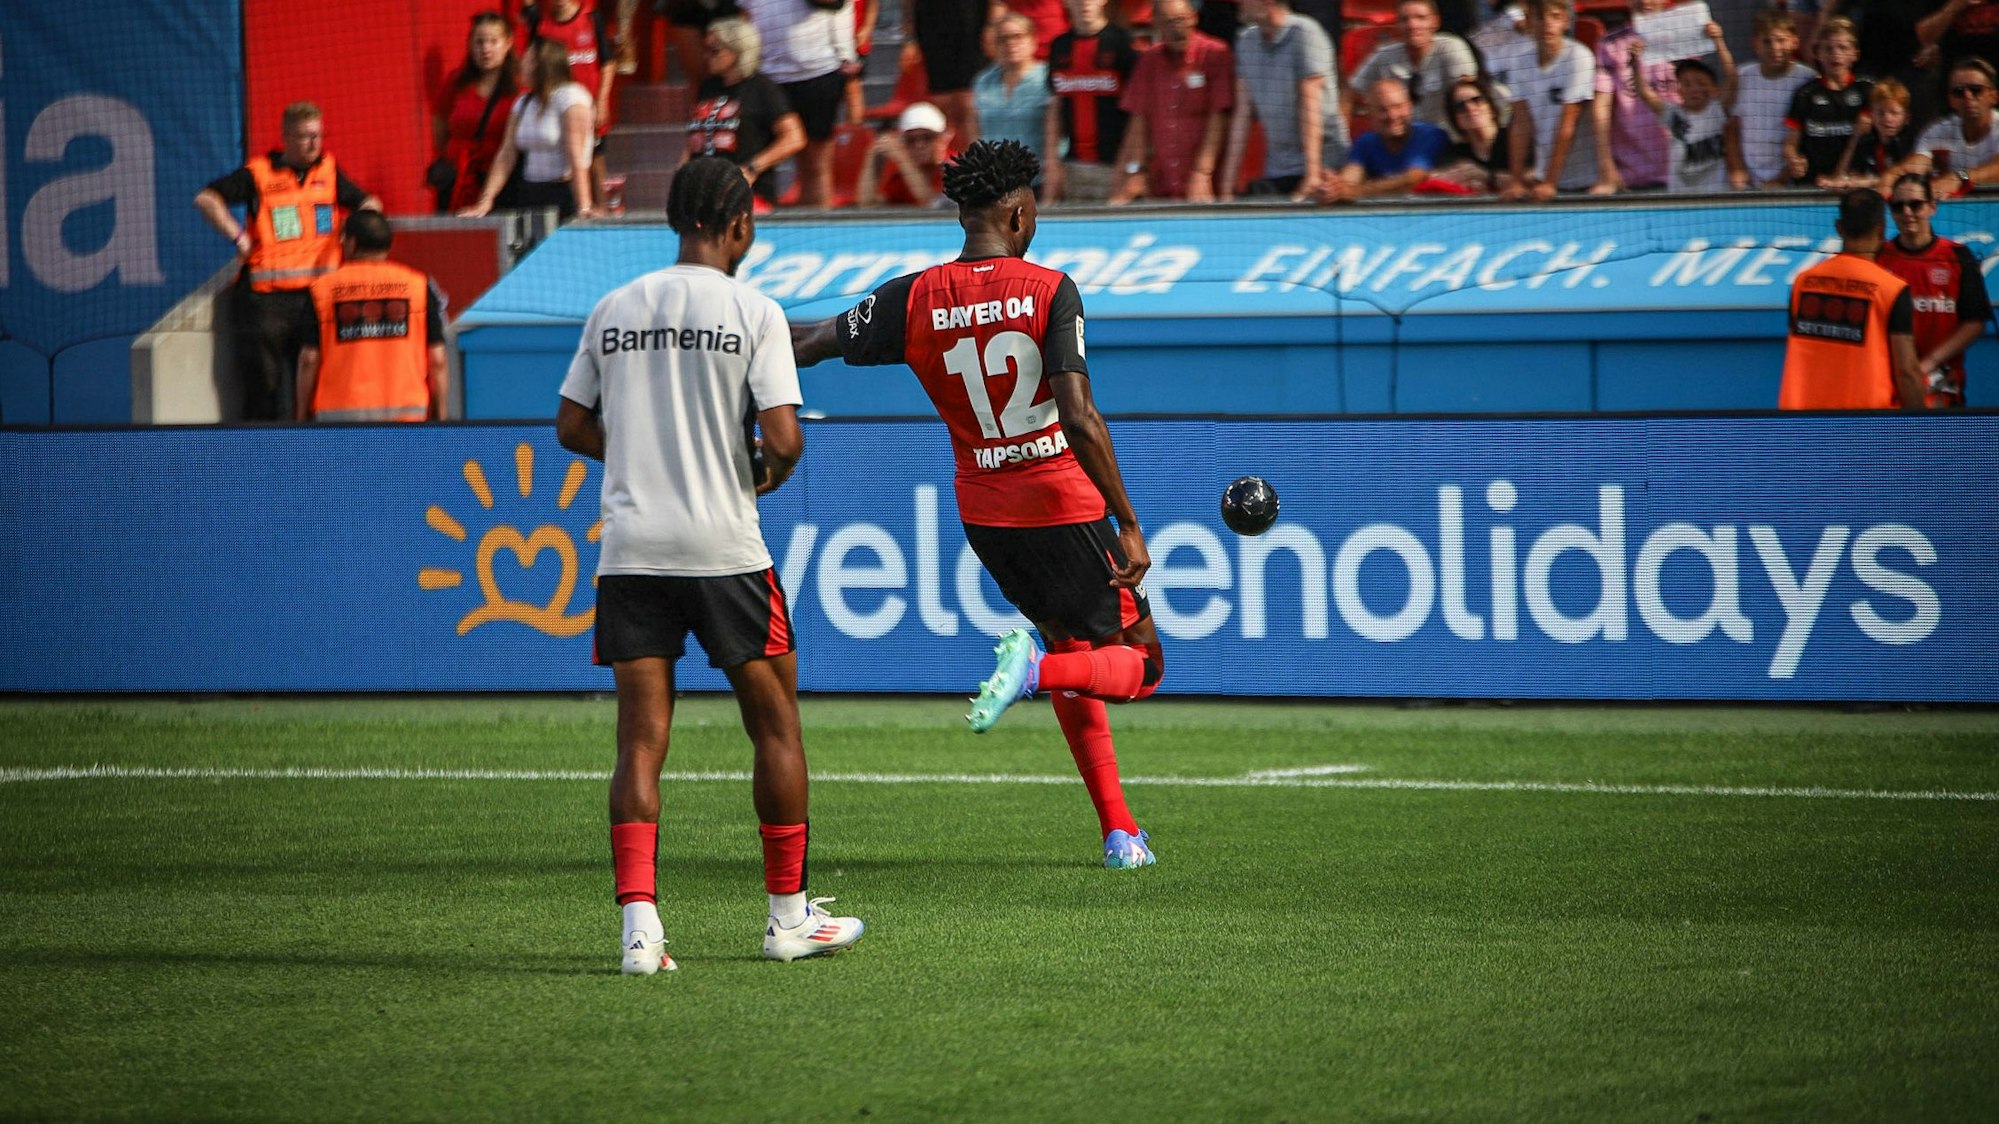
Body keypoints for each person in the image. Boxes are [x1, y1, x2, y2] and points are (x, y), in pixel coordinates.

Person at [791, 139, 1166, 870]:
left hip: (988, 517)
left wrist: (732, 349)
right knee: (1139, 666)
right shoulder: (1050, 289)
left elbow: (810, 342)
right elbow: (1079, 414)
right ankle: (1032, 675)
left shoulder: (911, 296)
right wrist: (1126, 520)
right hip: (1063, 502)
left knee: (1071, 647)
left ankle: (1120, 832)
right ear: (1019, 211)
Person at [555, 157, 865, 974]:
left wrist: (642, 458)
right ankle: (788, 920)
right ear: (738, 227)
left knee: (640, 744)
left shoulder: (612, 308)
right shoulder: (753, 310)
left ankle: (639, 934)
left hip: (631, 554)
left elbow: (569, 425)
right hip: (724, 550)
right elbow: (787, 439)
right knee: (775, 726)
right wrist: (759, 471)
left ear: (672, 223)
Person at [194, 102, 382, 422]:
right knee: (263, 388)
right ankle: (262, 457)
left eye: (318, 136)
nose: (314, 144)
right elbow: (206, 199)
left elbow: (370, 202)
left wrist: (353, 232)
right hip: (265, 302)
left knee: (313, 384)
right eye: (305, 137)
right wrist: (238, 238)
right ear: (285, 137)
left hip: (315, 298)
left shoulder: (329, 172)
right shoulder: (259, 174)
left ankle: (307, 454)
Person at [296, 212, 449, 423]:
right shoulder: (418, 286)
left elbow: (309, 360)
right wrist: (441, 417)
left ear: (352, 242)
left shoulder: (322, 290)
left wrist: (301, 416)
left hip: (339, 421)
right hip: (407, 418)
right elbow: (438, 360)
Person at [1780, 189, 1926, 410]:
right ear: (1882, 229)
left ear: (1839, 227)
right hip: (1866, 426)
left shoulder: (1802, 283)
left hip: (1803, 423)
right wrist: (1923, 429)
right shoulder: (1892, 289)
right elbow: (1906, 372)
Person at [1876, 172, 1992, 408]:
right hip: (1890, 382)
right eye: (1898, 206)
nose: (1907, 212)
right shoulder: (1879, 258)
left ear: (1932, 207)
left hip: (1943, 382)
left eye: (1915, 205)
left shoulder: (1958, 256)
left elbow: (1975, 321)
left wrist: (1928, 363)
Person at [1219, 0, 1347, 202]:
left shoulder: (1306, 33)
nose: (1237, 3)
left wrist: (1312, 175)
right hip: (1278, 169)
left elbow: (1310, 105)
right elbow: (1242, 113)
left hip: (1325, 166)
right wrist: (1227, 186)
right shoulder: (1245, 41)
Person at [1109, 0, 1234, 203]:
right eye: (1168, 22)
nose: (1177, 29)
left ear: (1194, 17)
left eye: (1181, 20)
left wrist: (1203, 172)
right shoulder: (1149, 60)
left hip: (1207, 185)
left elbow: (1219, 116)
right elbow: (1138, 118)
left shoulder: (1215, 53)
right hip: (1161, 184)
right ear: (1156, 24)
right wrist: (1136, 170)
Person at [459, 38, 597, 220]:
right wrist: (486, 200)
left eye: (527, 59)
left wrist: (584, 206)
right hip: (529, 193)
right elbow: (507, 152)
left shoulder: (572, 97)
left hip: (563, 193)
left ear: (542, 65)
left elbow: (577, 157)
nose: (521, 64)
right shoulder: (524, 102)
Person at [740, 0, 858, 207]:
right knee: (758, 158)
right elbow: (742, 12)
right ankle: (756, 227)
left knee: (815, 164)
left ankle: (819, 231)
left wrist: (847, 56)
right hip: (764, 72)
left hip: (816, 69)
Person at [1490, 0, 1611, 199]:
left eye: (1555, 17)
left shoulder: (1579, 57)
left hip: (1586, 181)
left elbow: (1567, 123)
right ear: (1529, 22)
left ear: (1566, 22)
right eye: (1540, 17)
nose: (1547, 23)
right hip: (1544, 178)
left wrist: (1550, 183)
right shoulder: (1520, 62)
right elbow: (1521, 124)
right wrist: (1516, 180)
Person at [682, 14, 807, 206]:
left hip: (747, 196)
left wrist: (752, 168)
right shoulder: (708, 87)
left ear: (738, 51)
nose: (706, 56)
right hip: (703, 193)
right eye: (705, 49)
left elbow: (794, 137)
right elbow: (695, 138)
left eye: (714, 50)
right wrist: (681, 172)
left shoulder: (762, 89)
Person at [520, 0, 619, 207]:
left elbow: (608, 62)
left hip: (588, 108)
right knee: (567, 163)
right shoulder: (540, 23)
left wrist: (601, 101)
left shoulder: (592, 19)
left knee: (595, 163)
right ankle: (579, 208)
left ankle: (602, 213)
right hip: (555, 111)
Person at [1042, 0, 1142, 205]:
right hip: (1073, 167)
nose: (1084, 3)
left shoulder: (1122, 42)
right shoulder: (1059, 46)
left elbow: (1137, 112)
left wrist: (1128, 166)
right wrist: (1052, 164)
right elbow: (1055, 107)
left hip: (1113, 166)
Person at [431, 12, 521, 215]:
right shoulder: (455, 81)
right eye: (479, 42)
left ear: (508, 43)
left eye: (493, 42)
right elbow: (439, 120)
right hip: (458, 181)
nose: (485, 49)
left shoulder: (520, 86)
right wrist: (449, 156)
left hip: (504, 183)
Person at [1592, 0, 1682, 194]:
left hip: (1682, 173)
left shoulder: (1685, 38)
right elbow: (1601, 110)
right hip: (1629, 177)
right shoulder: (1609, 43)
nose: (1645, 1)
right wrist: (1606, 167)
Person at [1348, 0, 1481, 127]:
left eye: (1420, 18)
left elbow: (1468, 93)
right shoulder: (1385, 55)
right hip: (1404, 140)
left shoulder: (1452, 48)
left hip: (1448, 140)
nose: (1412, 25)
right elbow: (1351, 92)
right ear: (1397, 25)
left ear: (1435, 22)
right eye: (1405, 19)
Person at [1630, 43, 1740, 193]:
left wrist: (1719, 42)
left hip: (1716, 195)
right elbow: (1644, 92)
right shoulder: (1672, 114)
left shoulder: (1717, 110)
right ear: (1679, 90)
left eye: (1701, 83)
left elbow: (1732, 77)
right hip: (1680, 197)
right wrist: (1636, 61)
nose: (1694, 89)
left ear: (1714, 89)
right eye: (1687, 84)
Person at [1318, 77, 1452, 201]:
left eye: (1398, 107)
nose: (1392, 115)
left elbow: (1414, 178)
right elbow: (1350, 178)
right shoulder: (1366, 142)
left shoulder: (1430, 135)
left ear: (1410, 107)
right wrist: (1333, 187)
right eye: (1382, 110)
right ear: (1370, 113)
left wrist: (1355, 192)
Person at [1782, 17, 1872, 187]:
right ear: (1818, 54)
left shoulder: (1866, 90)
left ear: (1855, 54)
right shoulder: (1806, 94)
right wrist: (1793, 159)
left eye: (1843, 48)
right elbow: (1790, 144)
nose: (1835, 54)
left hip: (1854, 183)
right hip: (1813, 184)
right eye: (1828, 49)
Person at [1734, 8, 1816, 189]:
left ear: (1795, 41)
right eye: (1767, 41)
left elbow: (1809, 137)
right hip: (1747, 182)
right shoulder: (1742, 75)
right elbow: (1731, 128)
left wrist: (1781, 179)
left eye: (1781, 40)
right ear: (1755, 44)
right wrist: (1737, 170)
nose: (1775, 48)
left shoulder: (1808, 79)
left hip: (1790, 182)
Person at [1901, 56, 1999, 195]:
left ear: (1994, 96)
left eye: (1976, 90)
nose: (1967, 96)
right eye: (1958, 91)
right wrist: (1889, 177)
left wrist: (1960, 177)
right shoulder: (1938, 130)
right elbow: (1915, 165)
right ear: (1951, 100)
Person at [974, 12, 1054, 161]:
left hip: (1039, 175)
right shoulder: (983, 82)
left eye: (1017, 36)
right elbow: (977, 132)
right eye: (1003, 39)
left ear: (1033, 40)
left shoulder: (1048, 78)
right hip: (996, 177)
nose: (1010, 43)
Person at [909, 0, 988, 144]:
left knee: (968, 104)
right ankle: (949, 159)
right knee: (943, 103)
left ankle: (978, 159)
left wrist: (992, 25)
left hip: (973, 27)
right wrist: (909, 38)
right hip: (933, 26)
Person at [1430, 75, 1521, 192]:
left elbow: (1533, 178)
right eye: (1460, 106)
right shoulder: (1455, 153)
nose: (1469, 108)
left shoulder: (1514, 139)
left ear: (1491, 109)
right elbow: (1436, 178)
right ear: (1455, 119)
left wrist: (1486, 176)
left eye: (1477, 100)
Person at [1829, 78, 1918, 192]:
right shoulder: (1865, 143)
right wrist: (1855, 138)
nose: (1887, 119)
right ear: (1871, 115)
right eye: (1880, 113)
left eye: (1894, 113)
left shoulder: (1912, 144)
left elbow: (1907, 178)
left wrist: (1867, 181)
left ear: (1907, 118)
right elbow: (1839, 177)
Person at [858, 101, 954, 206]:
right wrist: (872, 156)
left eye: (927, 138)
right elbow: (867, 204)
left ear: (942, 138)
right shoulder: (902, 179)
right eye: (911, 140)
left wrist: (903, 159)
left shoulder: (954, 169)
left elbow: (931, 204)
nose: (919, 145)